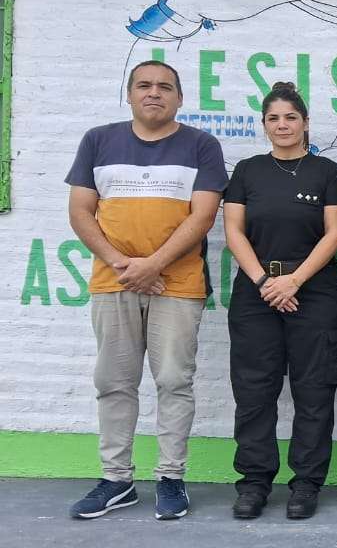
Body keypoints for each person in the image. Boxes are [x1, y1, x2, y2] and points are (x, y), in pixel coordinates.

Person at [65, 60, 227, 520]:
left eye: (164, 87)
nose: (154, 93)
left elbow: (203, 216)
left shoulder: (201, 145)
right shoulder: (98, 140)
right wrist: (125, 265)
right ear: (130, 94)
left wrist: (152, 265)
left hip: (177, 283)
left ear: (179, 97)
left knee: (175, 381)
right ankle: (116, 480)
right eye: (144, 86)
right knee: (113, 383)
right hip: (112, 280)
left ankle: (171, 478)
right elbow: (80, 212)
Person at [223, 82, 337, 520]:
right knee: (255, 392)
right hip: (256, 293)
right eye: (274, 118)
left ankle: (306, 483)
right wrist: (265, 281)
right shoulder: (247, 170)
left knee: (314, 391)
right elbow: (234, 232)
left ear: (305, 124)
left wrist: (293, 281)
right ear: (264, 125)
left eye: (290, 117)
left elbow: (335, 232)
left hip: (313, 292)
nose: (282, 125)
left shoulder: (327, 172)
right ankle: (255, 482)